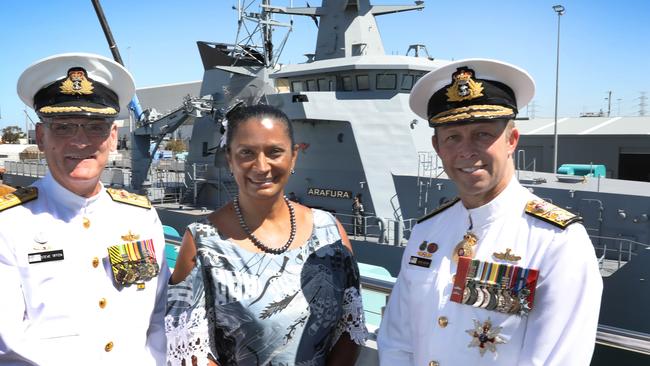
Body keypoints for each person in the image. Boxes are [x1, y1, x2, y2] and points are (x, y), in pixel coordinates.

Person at [377, 59, 603, 365]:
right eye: (452, 137)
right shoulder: (426, 232)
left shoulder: (557, 242)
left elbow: (557, 360)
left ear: (511, 140)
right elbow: (397, 341)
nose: (466, 151)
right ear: (437, 146)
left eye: (483, 134)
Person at [0, 53, 169, 365]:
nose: (80, 141)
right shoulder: (8, 225)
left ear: (113, 138)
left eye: (96, 127)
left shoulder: (141, 218)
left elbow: (158, 317)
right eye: (63, 127)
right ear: (41, 137)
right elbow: (8, 340)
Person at [166, 104, 367, 366]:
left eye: (274, 152)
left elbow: (349, 330)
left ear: (294, 156)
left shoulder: (330, 232)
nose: (261, 167)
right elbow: (188, 350)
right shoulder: (202, 243)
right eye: (247, 153)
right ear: (229, 158)